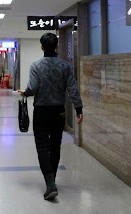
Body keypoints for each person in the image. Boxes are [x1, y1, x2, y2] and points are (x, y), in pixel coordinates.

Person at [17, 33, 83, 201]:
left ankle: (50, 183)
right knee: (55, 146)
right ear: (57, 46)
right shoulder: (65, 66)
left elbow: (33, 88)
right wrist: (78, 108)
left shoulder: (36, 66)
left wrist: (26, 92)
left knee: (42, 147)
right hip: (59, 112)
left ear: (42, 47)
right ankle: (51, 180)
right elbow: (72, 88)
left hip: (41, 111)